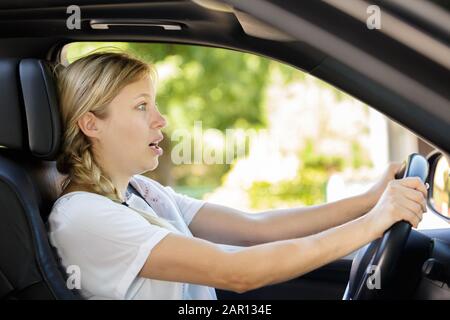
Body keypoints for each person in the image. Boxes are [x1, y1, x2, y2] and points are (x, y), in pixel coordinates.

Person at [48, 51, 428, 300]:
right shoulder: (84, 216)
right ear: (90, 124)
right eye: (141, 107)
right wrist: (373, 224)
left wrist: (368, 202)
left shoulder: (139, 191)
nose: (160, 120)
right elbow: (237, 272)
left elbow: (255, 228)